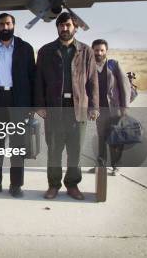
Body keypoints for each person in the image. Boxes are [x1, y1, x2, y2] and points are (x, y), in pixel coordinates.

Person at [35, 12, 99, 200]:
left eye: (68, 25)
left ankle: (72, 185)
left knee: (75, 150)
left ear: (75, 28)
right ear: (57, 28)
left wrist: (94, 106)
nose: (65, 29)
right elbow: (39, 80)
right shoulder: (46, 51)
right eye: (61, 25)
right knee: (54, 150)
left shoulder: (86, 51)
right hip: (55, 108)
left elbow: (93, 81)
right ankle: (53, 185)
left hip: (78, 109)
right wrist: (39, 105)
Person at [0, 13, 36, 198]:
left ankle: (16, 185)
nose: (5, 27)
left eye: (8, 23)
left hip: (17, 100)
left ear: (14, 25)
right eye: (2, 24)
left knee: (18, 146)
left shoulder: (25, 49)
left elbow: (32, 78)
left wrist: (32, 106)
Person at [88, 39, 130, 175]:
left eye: (102, 50)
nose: (99, 52)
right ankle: (100, 165)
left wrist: (125, 106)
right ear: (92, 50)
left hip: (114, 108)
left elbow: (125, 86)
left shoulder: (113, 65)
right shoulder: (89, 66)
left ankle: (116, 166)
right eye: (96, 50)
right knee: (101, 137)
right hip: (99, 109)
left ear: (106, 51)